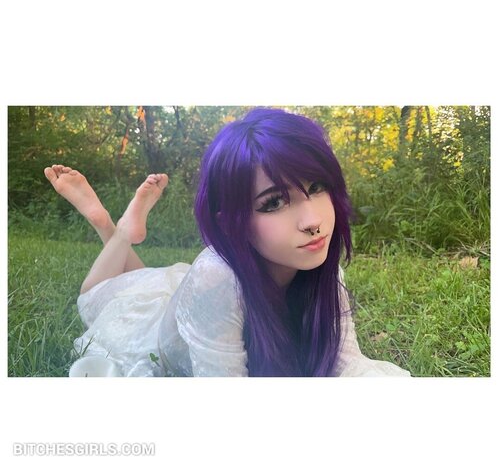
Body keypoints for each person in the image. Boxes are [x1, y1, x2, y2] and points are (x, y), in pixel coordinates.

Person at [44, 107, 410, 377]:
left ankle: (120, 233)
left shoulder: (322, 267)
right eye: (274, 202)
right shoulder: (215, 278)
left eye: (316, 187)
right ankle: (115, 227)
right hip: (151, 328)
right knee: (94, 296)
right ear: (231, 221)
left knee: (140, 280)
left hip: (179, 296)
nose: (313, 222)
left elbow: (348, 364)